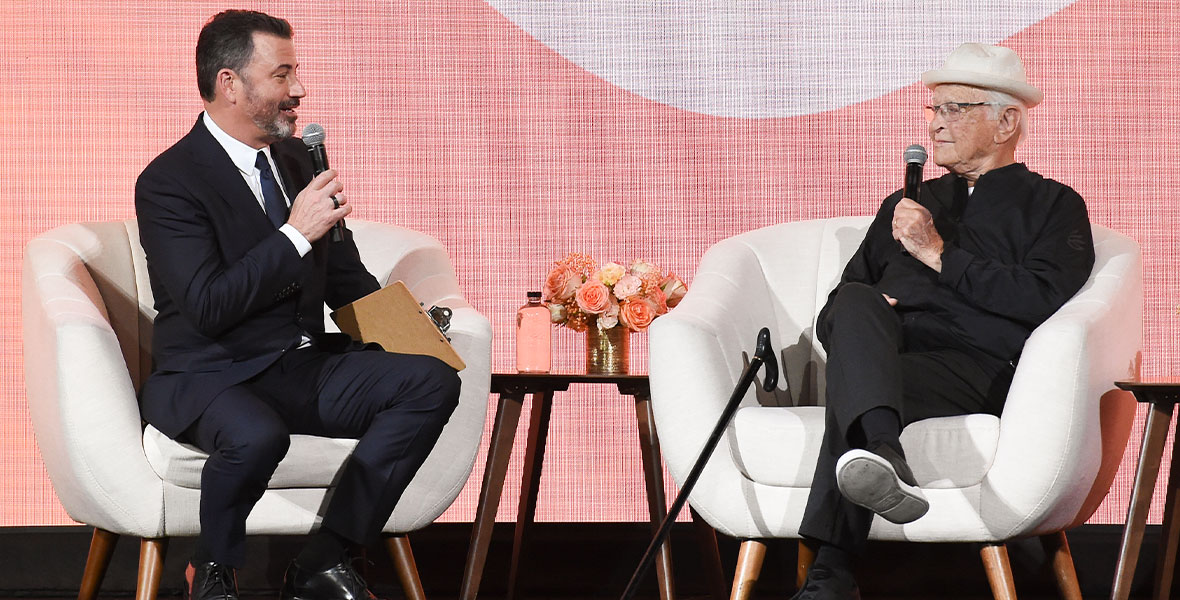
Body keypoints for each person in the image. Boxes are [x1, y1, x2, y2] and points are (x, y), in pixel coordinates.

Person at [135, 10, 461, 600]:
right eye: (282, 74)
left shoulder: (295, 163)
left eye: (297, 72)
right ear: (230, 82)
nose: (299, 91)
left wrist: (417, 339)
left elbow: (345, 277)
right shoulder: (169, 181)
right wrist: (293, 235)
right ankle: (211, 568)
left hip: (299, 365)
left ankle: (325, 559)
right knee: (257, 436)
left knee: (429, 382)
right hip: (214, 372)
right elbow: (208, 305)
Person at [791, 43, 1095, 599]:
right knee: (856, 306)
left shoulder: (1053, 206)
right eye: (933, 110)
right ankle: (884, 452)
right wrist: (863, 315)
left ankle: (832, 572)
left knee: (855, 393)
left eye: (954, 109)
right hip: (886, 351)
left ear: (1006, 121)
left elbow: (1042, 298)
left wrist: (936, 253)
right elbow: (838, 304)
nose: (935, 125)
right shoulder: (906, 203)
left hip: (973, 366)